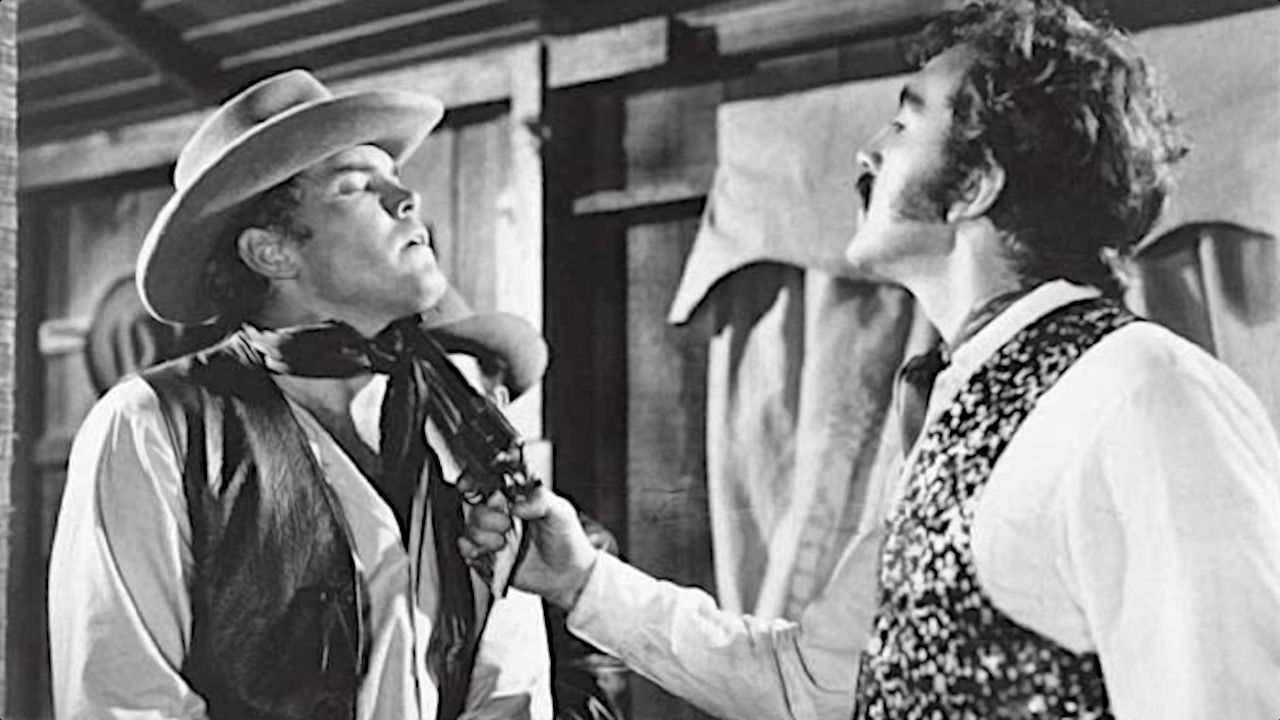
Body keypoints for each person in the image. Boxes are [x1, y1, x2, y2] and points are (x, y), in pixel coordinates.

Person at [461, 2, 1280, 719]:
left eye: (904, 123)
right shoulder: (963, 407)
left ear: (976, 186)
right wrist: (580, 582)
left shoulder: (1140, 392)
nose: (866, 152)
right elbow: (811, 687)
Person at [48, 69, 553, 720]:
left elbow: (512, 687)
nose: (407, 199)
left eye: (395, 178)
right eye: (355, 186)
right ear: (271, 252)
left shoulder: (458, 416)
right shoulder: (152, 424)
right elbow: (122, 703)